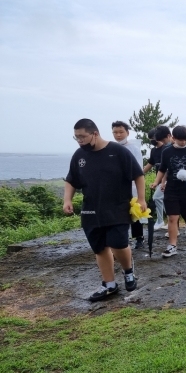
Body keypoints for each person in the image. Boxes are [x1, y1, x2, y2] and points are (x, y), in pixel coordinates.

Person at [64, 118, 144, 302]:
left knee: (118, 244)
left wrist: (141, 199)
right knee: (99, 248)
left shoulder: (117, 152)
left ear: (95, 133)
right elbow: (71, 180)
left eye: (82, 137)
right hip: (91, 210)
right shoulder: (79, 156)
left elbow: (138, 175)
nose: (80, 141)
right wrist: (67, 199)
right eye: (76, 138)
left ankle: (128, 271)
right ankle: (109, 285)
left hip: (118, 207)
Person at [150, 125, 186, 257]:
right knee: (172, 218)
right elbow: (163, 169)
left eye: (185, 140)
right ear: (173, 138)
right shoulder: (166, 152)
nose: (183, 142)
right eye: (180, 140)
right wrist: (157, 182)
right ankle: (172, 245)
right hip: (172, 189)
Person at [111, 121, 145, 249]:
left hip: (132, 185)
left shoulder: (133, 149)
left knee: (134, 212)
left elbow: (138, 169)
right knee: (119, 213)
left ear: (127, 133)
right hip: (116, 187)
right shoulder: (111, 148)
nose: (118, 135)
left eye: (121, 132)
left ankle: (139, 237)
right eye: (115, 132)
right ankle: (122, 239)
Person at [143, 126, 171, 230]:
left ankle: (162, 221)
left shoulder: (166, 148)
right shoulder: (154, 151)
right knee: (161, 200)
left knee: (158, 198)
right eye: (150, 139)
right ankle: (165, 221)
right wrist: (140, 173)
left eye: (153, 138)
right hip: (160, 180)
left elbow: (166, 168)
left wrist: (162, 181)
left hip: (168, 179)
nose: (152, 141)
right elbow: (150, 163)